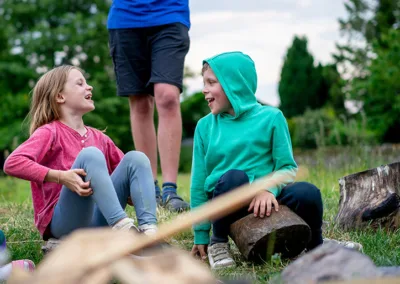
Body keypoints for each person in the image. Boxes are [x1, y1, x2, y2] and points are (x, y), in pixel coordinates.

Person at [189, 52, 361, 270]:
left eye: (211, 83)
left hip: (269, 200)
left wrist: (269, 190)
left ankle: (317, 245)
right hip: (229, 205)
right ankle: (219, 244)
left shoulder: (272, 118)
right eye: (204, 83)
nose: (204, 89)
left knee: (308, 192)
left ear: (234, 84)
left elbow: (287, 168)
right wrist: (200, 234)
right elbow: (198, 185)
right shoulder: (205, 127)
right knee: (234, 177)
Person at [3, 66, 158, 241]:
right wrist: (61, 177)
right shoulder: (49, 132)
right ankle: (124, 229)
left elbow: (128, 174)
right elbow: (12, 163)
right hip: (65, 223)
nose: (89, 87)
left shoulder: (100, 138)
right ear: (60, 96)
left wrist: (132, 191)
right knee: (90, 155)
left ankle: (149, 233)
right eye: (80, 83)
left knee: (136, 158)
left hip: (100, 221)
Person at [107, 0, 190, 212]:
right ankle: (149, 187)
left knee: (168, 96)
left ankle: (170, 190)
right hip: (125, 18)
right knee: (140, 102)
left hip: (170, 14)